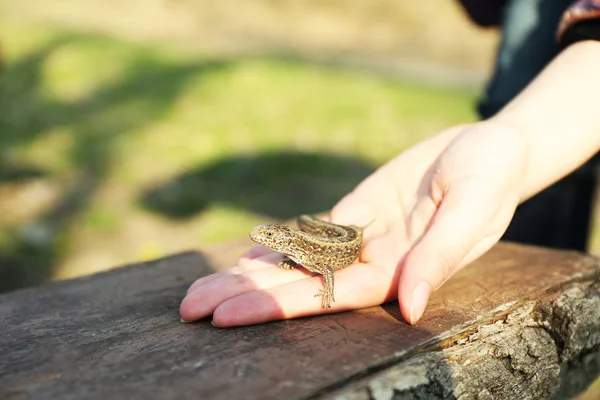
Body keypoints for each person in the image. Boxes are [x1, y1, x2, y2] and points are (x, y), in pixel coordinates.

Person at [179, 0, 600, 327]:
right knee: (509, 89)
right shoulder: (301, 251)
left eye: (275, 237)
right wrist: (522, 134)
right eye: (276, 239)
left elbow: (326, 275)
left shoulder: (314, 254)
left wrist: (522, 138)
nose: (270, 239)